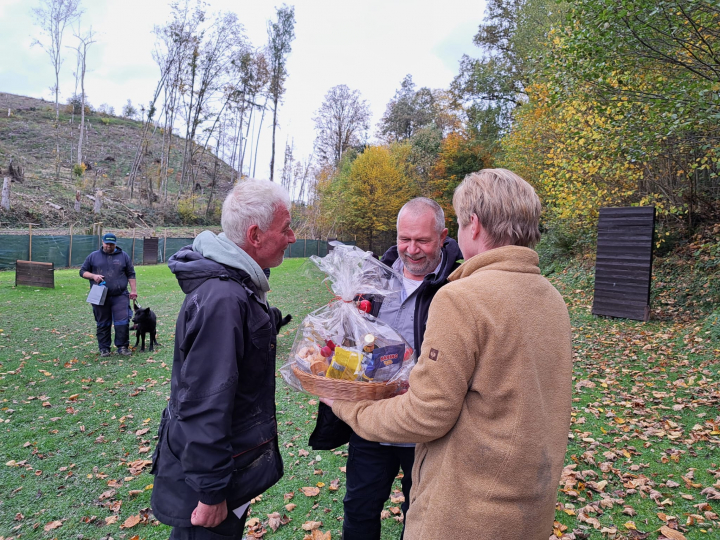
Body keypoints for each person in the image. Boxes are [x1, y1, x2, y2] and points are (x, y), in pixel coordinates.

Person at [323, 169, 573, 540]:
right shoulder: (551, 297)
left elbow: (427, 414)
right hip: (527, 508)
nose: (411, 247)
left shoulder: (461, 296)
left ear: (473, 225)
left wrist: (344, 404)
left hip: (467, 511)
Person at [309, 197, 462, 540]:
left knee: (422, 514)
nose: (412, 249)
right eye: (404, 239)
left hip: (425, 429)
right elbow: (351, 343)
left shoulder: (457, 286)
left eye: (422, 240)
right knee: (359, 508)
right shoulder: (372, 280)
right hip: (372, 421)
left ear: (443, 236)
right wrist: (337, 334)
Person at [150, 179, 295, 540]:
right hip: (211, 480)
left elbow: (236, 344)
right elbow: (203, 403)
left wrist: (271, 323)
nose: (292, 237)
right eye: (286, 228)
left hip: (231, 465)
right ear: (255, 235)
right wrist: (211, 491)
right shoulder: (223, 299)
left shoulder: (236, 287)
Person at [80, 232, 137, 357]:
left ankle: (122, 346)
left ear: (115, 244)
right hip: (100, 295)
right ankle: (104, 348)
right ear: (102, 242)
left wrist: (133, 290)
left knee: (122, 321)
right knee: (102, 322)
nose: (109, 246)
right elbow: (82, 271)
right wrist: (93, 276)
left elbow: (131, 274)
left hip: (120, 295)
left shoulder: (123, 256)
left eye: (111, 244)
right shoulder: (93, 256)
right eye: (107, 244)